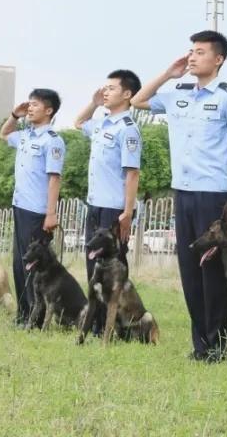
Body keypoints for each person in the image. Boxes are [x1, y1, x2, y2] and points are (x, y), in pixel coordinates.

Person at [131, 30, 227, 362]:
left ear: (218, 59)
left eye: (200, 52)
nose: (193, 56)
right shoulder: (177, 92)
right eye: (191, 51)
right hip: (183, 192)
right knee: (189, 270)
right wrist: (168, 74)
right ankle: (201, 344)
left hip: (213, 194)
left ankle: (220, 344)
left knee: (213, 271)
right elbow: (138, 101)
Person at [73, 69, 143, 335]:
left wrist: (127, 212)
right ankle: (98, 325)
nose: (106, 91)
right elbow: (79, 123)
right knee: (93, 267)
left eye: (111, 88)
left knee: (114, 271)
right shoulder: (102, 122)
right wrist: (93, 102)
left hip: (115, 208)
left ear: (127, 94)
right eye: (105, 87)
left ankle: (118, 326)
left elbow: (132, 173)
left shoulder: (128, 130)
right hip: (95, 204)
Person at [0, 88, 66, 325]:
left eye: (35, 104)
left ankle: (37, 318)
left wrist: (51, 213)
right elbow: (4, 134)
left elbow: (54, 178)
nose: (30, 108)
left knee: (35, 266)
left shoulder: (52, 141)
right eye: (29, 104)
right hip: (20, 206)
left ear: (49, 110)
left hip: (37, 211)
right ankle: (24, 314)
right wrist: (14, 116)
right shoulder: (26, 135)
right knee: (20, 263)